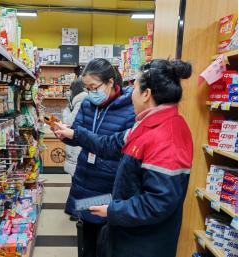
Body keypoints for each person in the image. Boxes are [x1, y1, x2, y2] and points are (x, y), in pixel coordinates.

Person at [55, 59, 193, 257]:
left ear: (146, 94)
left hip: (144, 243)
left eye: (134, 87)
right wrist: (74, 134)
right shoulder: (146, 124)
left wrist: (113, 210)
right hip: (126, 232)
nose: (131, 94)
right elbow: (109, 144)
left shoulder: (168, 137)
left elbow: (158, 202)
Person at [61, 58, 135, 257]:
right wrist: (66, 135)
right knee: (87, 238)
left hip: (109, 183)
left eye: (94, 87)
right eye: (87, 88)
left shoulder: (130, 109)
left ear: (111, 81)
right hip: (85, 179)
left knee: (106, 239)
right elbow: (78, 134)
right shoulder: (87, 105)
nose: (90, 93)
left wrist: (77, 135)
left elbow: (114, 145)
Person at [62, 79, 88, 176]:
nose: (69, 92)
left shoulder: (79, 101)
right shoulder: (80, 100)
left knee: (77, 175)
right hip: (78, 141)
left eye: (70, 89)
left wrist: (66, 111)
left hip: (77, 142)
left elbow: (69, 122)